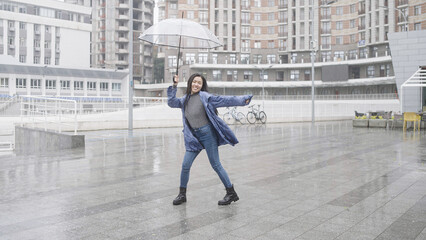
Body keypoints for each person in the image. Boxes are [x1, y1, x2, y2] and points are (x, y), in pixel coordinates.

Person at [167, 73, 252, 206]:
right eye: (194, 82)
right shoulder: (184, 99)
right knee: (185, 165)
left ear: (202, 86)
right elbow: (171, 102)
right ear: (190, 83)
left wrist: (242, 100)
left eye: (199, 83)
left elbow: (224, 100)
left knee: (216, 165)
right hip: (193, 137)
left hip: (207, 135)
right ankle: (182, 194)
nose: (196, 84)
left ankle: (231, 193)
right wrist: (174, 85)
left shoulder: (205, 97)